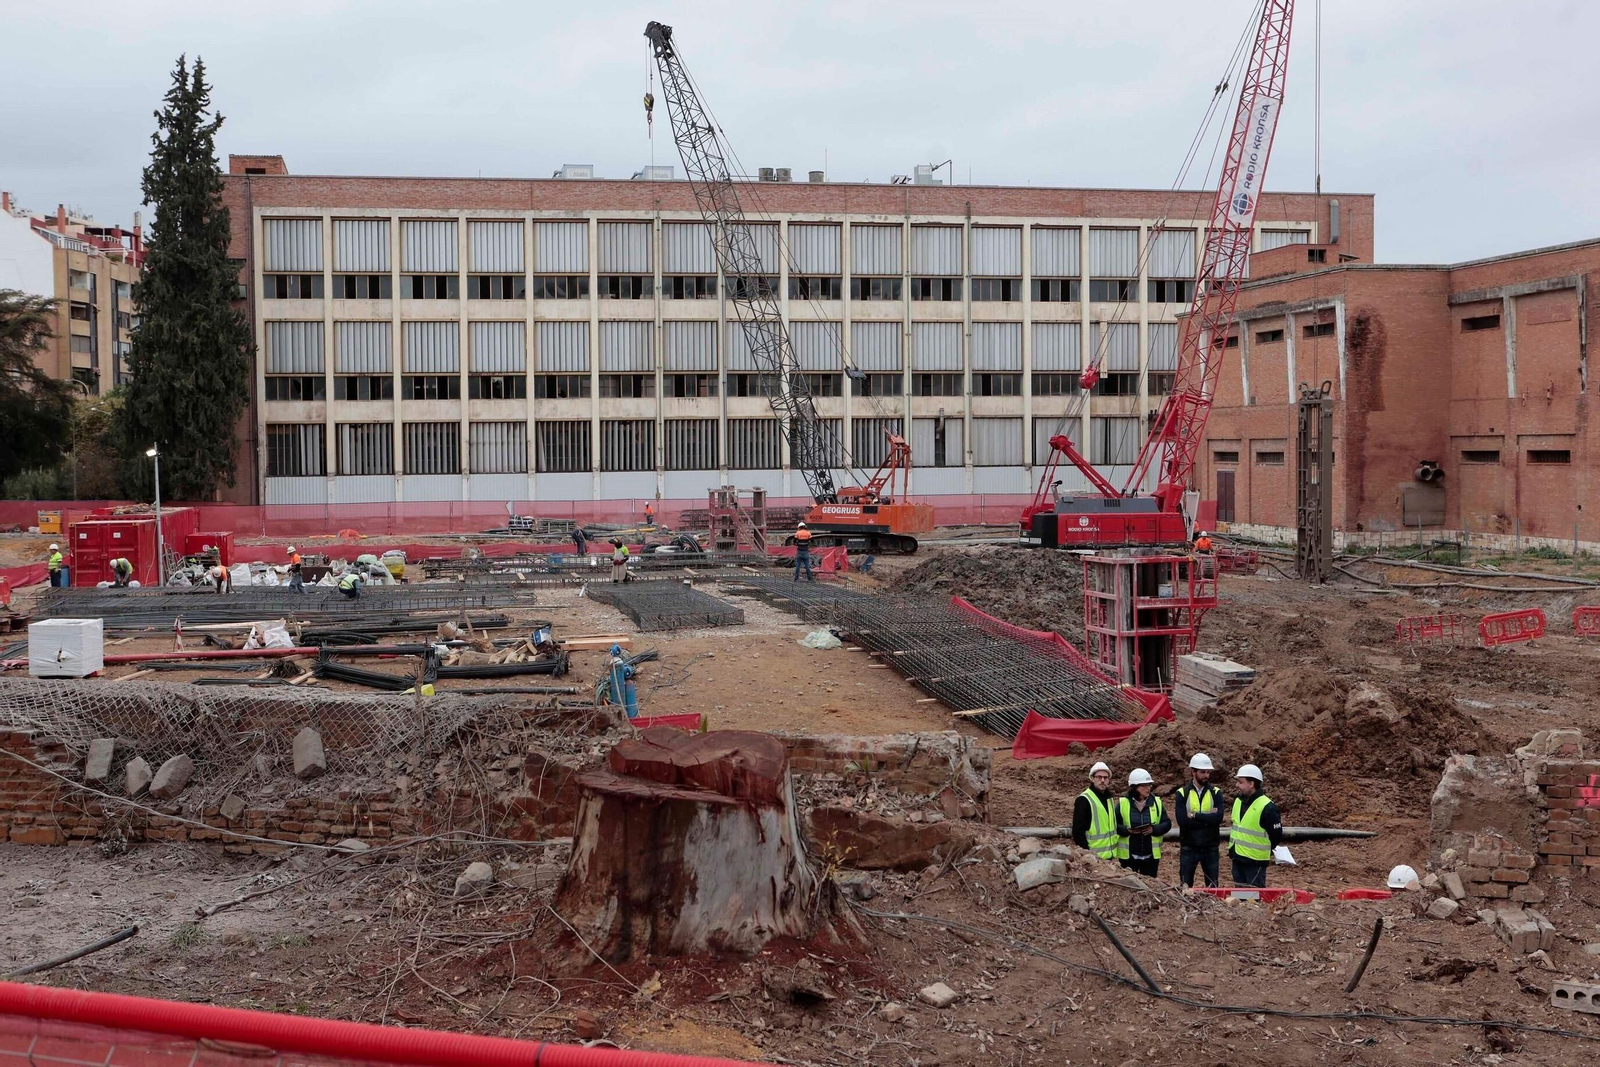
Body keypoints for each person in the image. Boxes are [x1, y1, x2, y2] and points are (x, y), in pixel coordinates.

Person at [1228, 763, 1283, 888]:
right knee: (1240, 899)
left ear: (1251, 784)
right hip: (1238, 858)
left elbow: (1276, 835)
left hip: (1255, 862)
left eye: (1240, 782)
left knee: (1253, 899)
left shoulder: (1267, 807)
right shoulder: (1238, 801)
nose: (1237, 785)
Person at [1174, 752, 1224, 888]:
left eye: (1208, 772)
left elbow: (1218, 818)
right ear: (1193, 772)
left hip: (1210, 847)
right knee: (1185, 886)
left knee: (1213, 886)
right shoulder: (1182, 793)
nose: (1206, 776)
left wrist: (1195, 815)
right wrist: (1209, 819)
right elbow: (1183, 821)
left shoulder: (1216, 793)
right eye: (1202, 772)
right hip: (1189, 847)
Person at [1115, 768, 1171, 877]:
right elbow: (1114, 826)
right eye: (1144, 785)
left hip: (1150, 858)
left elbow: (1167, 823)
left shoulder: (1157, 803)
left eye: (1149, 785)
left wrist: (1153, 829)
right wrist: (1127, 830)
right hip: (1129, 858)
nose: (1148, 788)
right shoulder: (1123, 803)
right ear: (1135, 787)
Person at [1072, 761, 1120, 861]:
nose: (1102, 780)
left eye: (1105, 777)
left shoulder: (1109, 798)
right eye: (1099, 777)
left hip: (1111, 857)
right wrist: (1087, 854)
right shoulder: (1084, 800)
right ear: (1092, 778)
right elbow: (1078, 832)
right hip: (1094, 858)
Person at [603, 642, 640, 718]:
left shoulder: (615, 662)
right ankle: (625, 716)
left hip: (619, 690)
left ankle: (626, 716)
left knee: (620, 702)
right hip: (618, 689)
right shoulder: (618, 662)